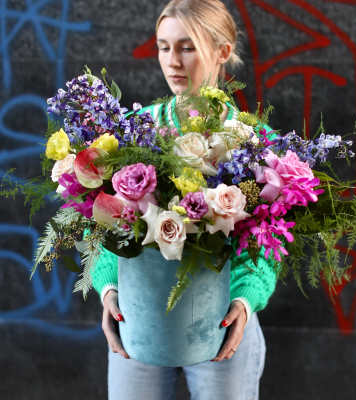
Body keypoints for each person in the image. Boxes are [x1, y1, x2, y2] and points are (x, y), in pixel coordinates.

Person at [90, 0, 278, 398]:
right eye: (164, 47)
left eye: (187, 47)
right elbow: (106, 221)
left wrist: (245, 300)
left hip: (222, 322)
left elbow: (269, 236)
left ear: (223, 51)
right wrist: (108, 289)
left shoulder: (253, 141)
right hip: (138, 319)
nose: (172, 61)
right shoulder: (136, 132)